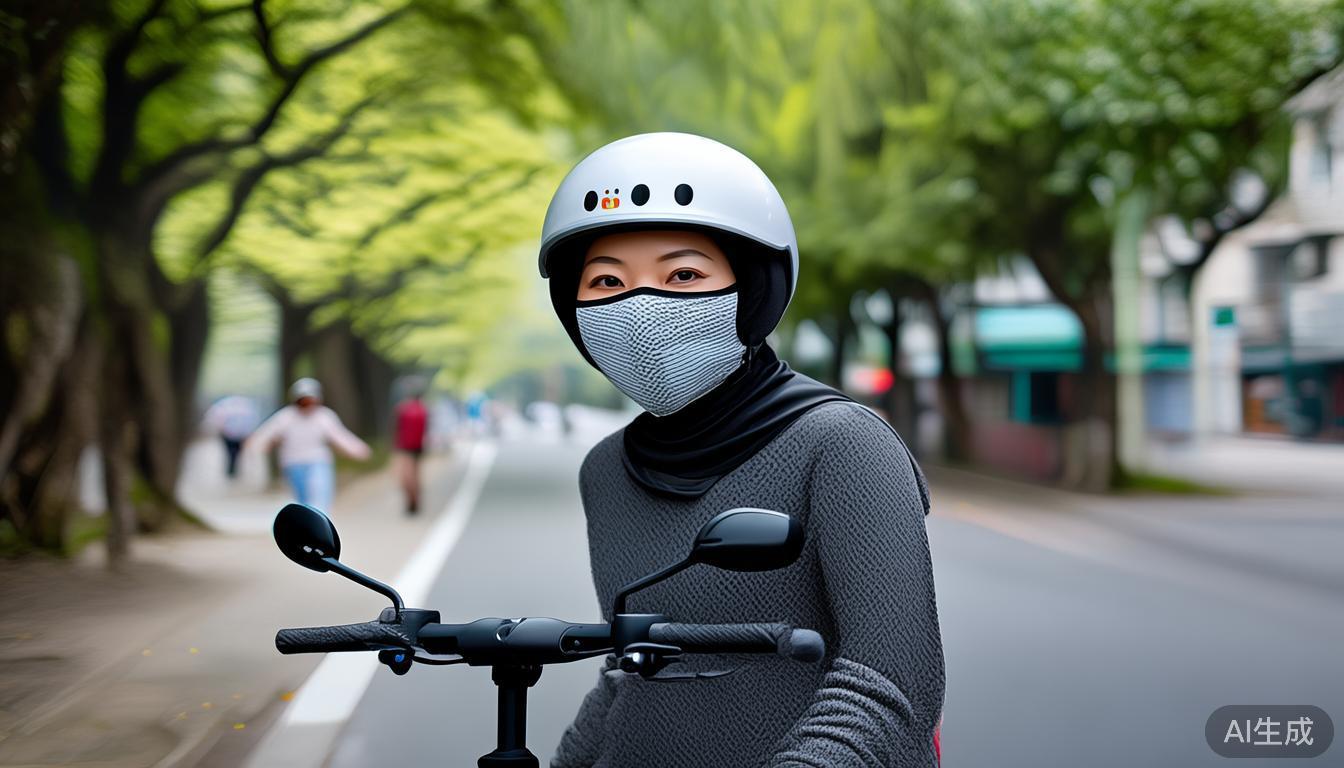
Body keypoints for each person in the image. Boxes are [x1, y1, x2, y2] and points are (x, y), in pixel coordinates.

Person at [539, 133, 944, 767]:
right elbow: (628, 672)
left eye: (683, 274)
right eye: (607, 281)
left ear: (750, 289)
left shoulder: (843, 445)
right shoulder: (606, 471)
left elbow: (892, 683)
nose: (640, 306)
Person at [245, 378, 371, 512]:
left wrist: (358, 449)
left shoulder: (324, 416)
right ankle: (306, 526)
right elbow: (266, 433)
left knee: (320, 495)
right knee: (302, 500)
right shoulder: (286, 417)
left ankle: (321, 524)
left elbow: (340, 436)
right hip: (293, 462)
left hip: (318, 461)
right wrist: (255, 445)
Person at [393, 385, 430, 515]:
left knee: (406, 476)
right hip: (418, 447)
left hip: (405, 447)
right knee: (415, 474)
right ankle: (415, 501)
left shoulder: (402, 409)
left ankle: (411, 501)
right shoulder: (424, 409)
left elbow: (396, 428)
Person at [202, 395, 258, 479]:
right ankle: (233, 469)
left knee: (230, 452)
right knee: (236, 452)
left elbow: (214, 419)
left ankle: (231, 469)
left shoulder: (224, 407)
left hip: (228, 433)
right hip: (239, 434)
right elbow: (252, 420)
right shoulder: (245, 408)